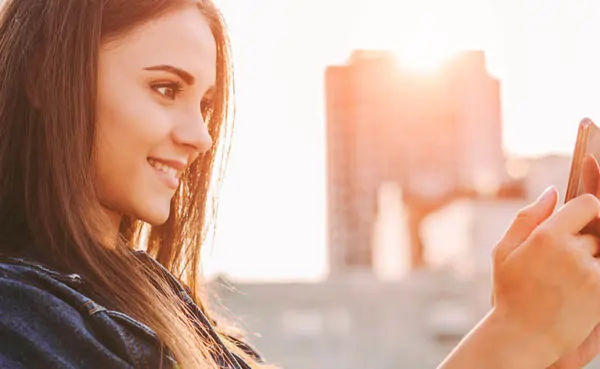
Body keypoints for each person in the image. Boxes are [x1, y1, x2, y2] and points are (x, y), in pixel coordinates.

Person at [0, 1, 599, 369]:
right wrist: (515, 336)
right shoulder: (19, 315)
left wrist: (536, 352)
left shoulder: (161, 302)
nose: (200, 136)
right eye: (165, 89)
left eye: (205, 103)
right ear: (48, 80)